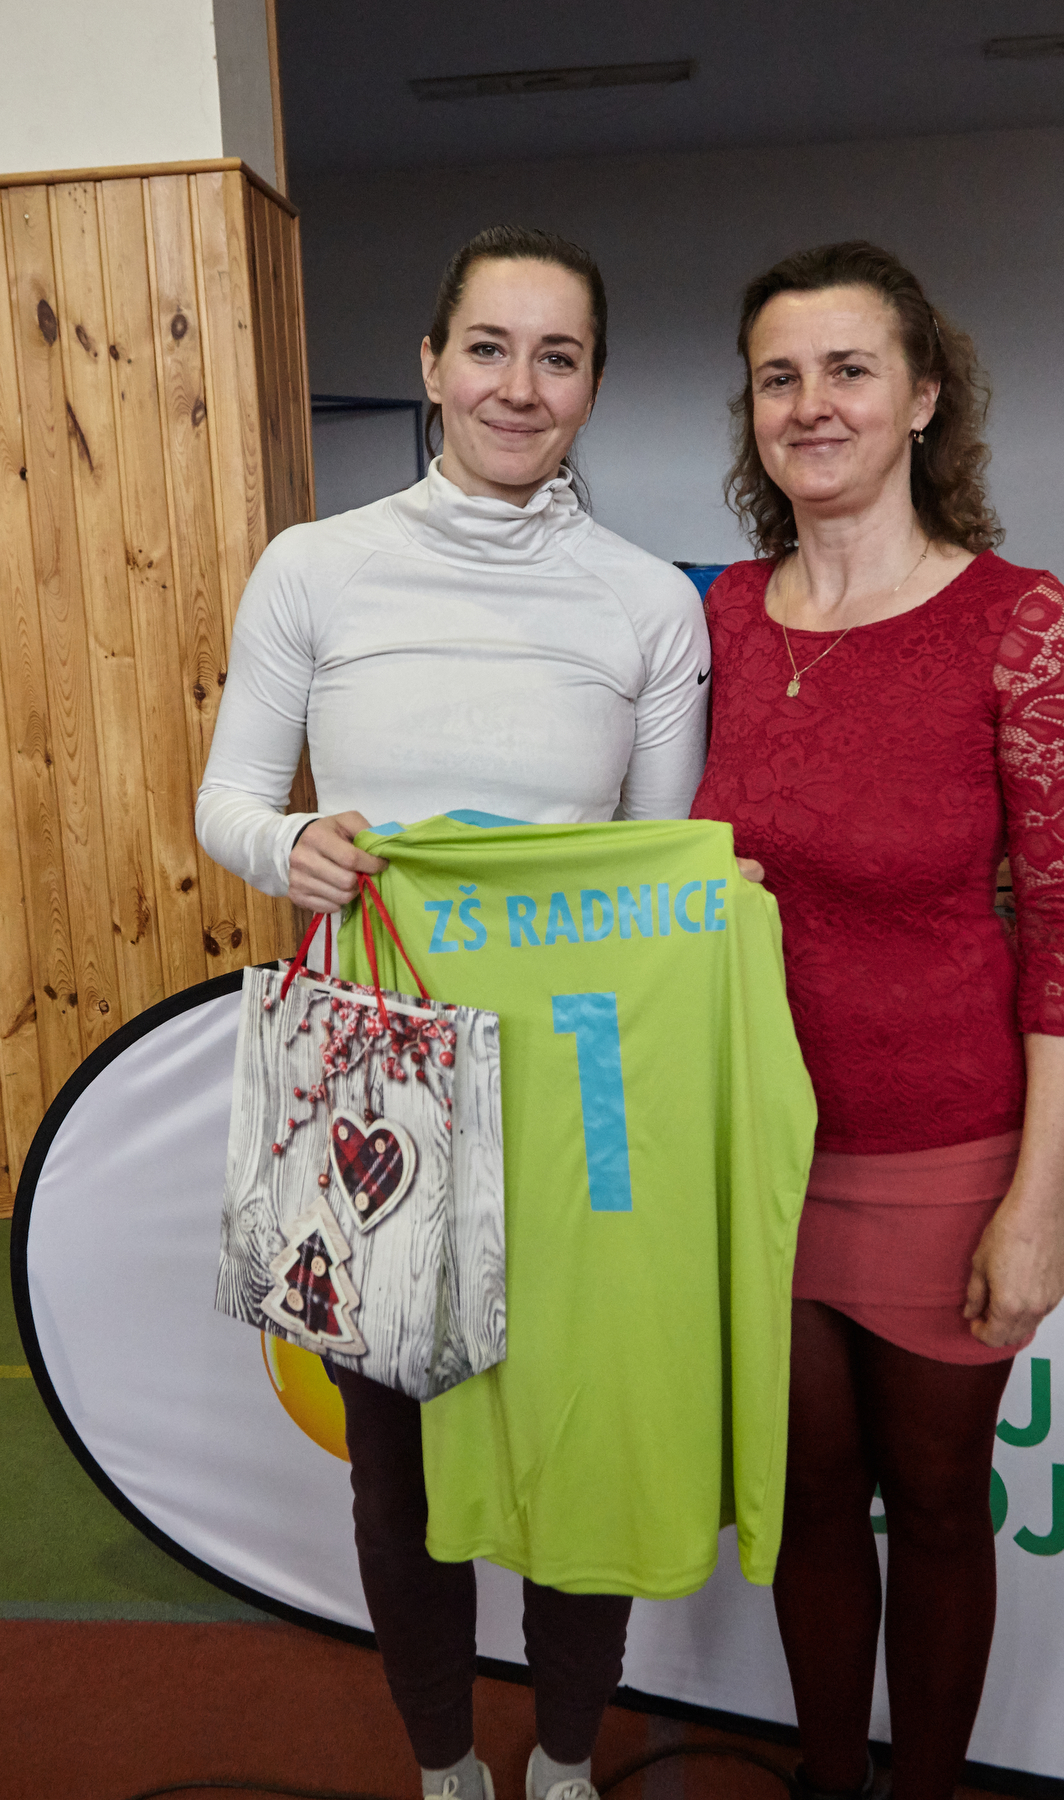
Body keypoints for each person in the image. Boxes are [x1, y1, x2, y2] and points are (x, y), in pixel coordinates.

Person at [197, 225, 710, 1800]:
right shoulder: (314, 566)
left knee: (582, 1432)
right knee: (398, 1454)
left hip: (587, 1077)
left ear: (594, 385)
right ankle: (445, 1769)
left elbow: (659, 874)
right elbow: (228, 801)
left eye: (559, 356)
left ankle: (564, 1760)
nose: (518, 385)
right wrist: (292, 842)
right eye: (488, 347)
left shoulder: (649, 604)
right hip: (378, 1065)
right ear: (431, 364)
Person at [690, 240, 1064, 1800]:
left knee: (935, 1506)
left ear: (925, 398)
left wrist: (1036, 1207)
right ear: (752, 412)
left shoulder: (1020, 625)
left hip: (941, 1152)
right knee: (807, 1500)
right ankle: (828, 1777)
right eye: (779, 377)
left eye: (849, 370)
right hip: (754, 1150)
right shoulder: (723, 619)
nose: (812, 405)